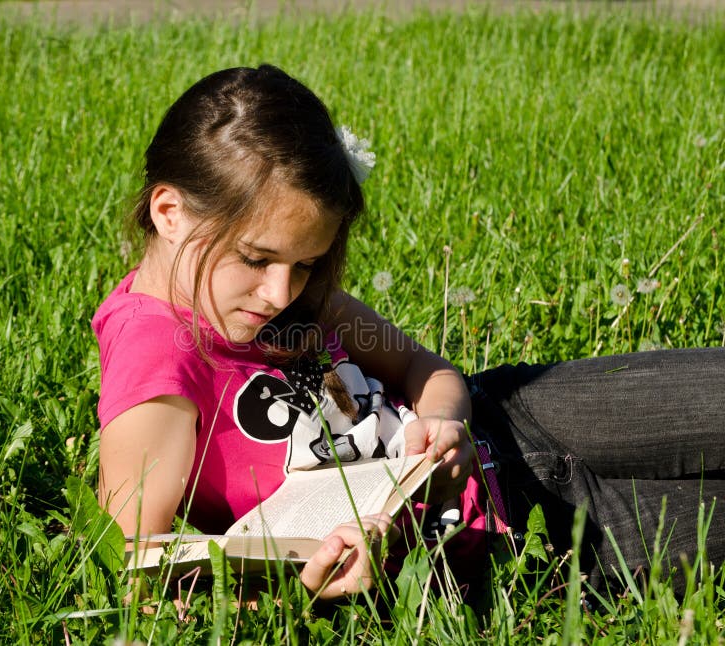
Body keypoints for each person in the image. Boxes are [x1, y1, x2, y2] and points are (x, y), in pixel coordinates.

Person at [94, 64, 725, 602]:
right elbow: (138, 574)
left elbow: (429, 371)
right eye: (257, 260)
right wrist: (305, 589)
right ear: (170, 212)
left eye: (306, 263)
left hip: (516, 416)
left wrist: (448, 421)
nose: (283, 293)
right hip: (517, 535)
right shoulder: (156, 354)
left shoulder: (284, 300)